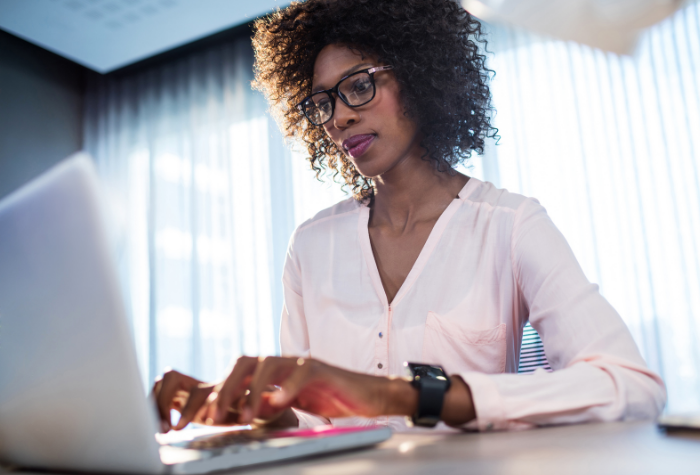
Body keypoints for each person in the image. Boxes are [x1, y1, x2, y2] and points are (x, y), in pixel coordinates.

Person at [153, 0, 666, 433]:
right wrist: (241, 411)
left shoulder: (510, 225)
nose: (339, 118)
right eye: (323, 103)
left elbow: (632, 386)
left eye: (359, 86)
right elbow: (311, 428)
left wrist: (407, 395)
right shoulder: (310, 246)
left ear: (420, 75)